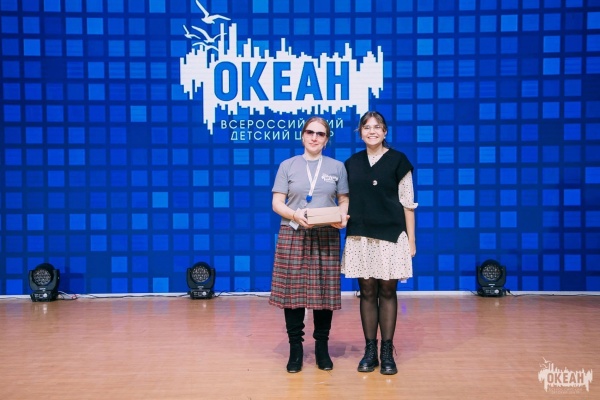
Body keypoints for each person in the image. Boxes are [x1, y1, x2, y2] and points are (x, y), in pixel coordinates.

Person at [269, 116, 349, 373]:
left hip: (325, 234)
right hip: (293, 232)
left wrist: (341, 216)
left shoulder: (337, 167)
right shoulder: (288, 165)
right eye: (310, 132)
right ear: (303, 135)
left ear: (327, 140)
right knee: (292, 294)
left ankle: (322, 347)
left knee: (324, 294)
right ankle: (295, 349)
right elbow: (277, 203)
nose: (315, 137)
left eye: (320, 134)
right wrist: (294, 215)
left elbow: (343, 199)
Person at [341, 111, 417, 375]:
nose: (371, 131)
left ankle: (387, 352)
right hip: (360, 236)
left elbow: (408, 203)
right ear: (359, 132)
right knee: (367, 291)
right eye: (366, 127)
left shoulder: (399, 161)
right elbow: (344, 200)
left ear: (385, 132)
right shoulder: (351, 164)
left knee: (387, 291)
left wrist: (411, 240)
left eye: (377, 127)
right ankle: (370, 351)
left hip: (392, 237)